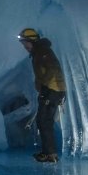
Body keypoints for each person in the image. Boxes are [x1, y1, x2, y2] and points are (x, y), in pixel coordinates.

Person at [18, 28, 67, 163]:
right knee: (43, 121)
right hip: (52, 89)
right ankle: (48, 153)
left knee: (44, 121)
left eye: (25, 43)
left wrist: (45, 87)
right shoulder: (39, 51)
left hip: (52, 90)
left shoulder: (42, 51)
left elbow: (52, 70)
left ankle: (50, 154)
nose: (24, 46)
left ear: (32, 40)